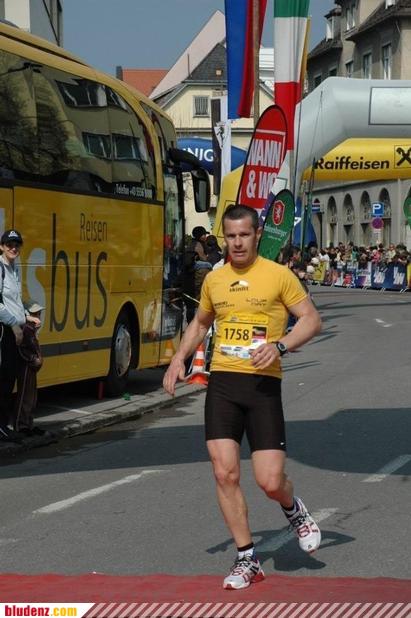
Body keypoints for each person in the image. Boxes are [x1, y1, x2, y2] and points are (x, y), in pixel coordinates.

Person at [163, 204, 322, 590]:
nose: (236, 243)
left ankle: (294, 510)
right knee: (224, 472)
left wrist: (280, 346)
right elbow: (201, 323)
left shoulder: (278, 276)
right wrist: (178, 358)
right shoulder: (215, 280)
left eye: (244, 235)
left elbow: (311, 320)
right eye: (230, 236)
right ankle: (247, 558)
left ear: (256, 235)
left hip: (262, 386)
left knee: (270, 481)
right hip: (223, 385)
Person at [0, 230, 40, 442]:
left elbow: (13, 301)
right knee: (4, 379)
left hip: (15, 329)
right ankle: (1, 427)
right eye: (9, 244)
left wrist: (26, 316)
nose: (13, 248)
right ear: (1, 246)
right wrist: (14, 324)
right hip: (4, 331)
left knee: (10, 379)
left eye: (16, 245)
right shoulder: (0, 268)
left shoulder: (14, 268)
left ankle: (5, 426)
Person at [14, 299, 45, 436]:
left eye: (38, 313)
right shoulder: (26, 328)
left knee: (31, 397)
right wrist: (33, 359)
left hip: (31, 366)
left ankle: (28, 423)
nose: (38, 316)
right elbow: (22, 349)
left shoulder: (31, 329)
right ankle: (21, 425)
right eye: (35, 313)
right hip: (26, 367)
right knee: (25, 396)